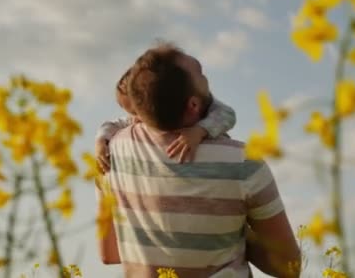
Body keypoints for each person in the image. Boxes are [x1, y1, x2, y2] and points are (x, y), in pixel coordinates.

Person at [97, 42, 301, 277]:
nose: (207, 79)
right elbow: (289, 267)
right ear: (193, 105)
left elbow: (110, 253)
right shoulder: (244, 164)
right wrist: (234, 230)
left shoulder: (110, 154)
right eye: (201, 74)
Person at [94, 66, 237, 173]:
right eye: (131, 113)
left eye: (137, 112)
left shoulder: (202, 101)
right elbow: (113, 124)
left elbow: (227, 114)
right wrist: (101, 141)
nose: (135, 119)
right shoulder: (137, 120)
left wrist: (199, 131)